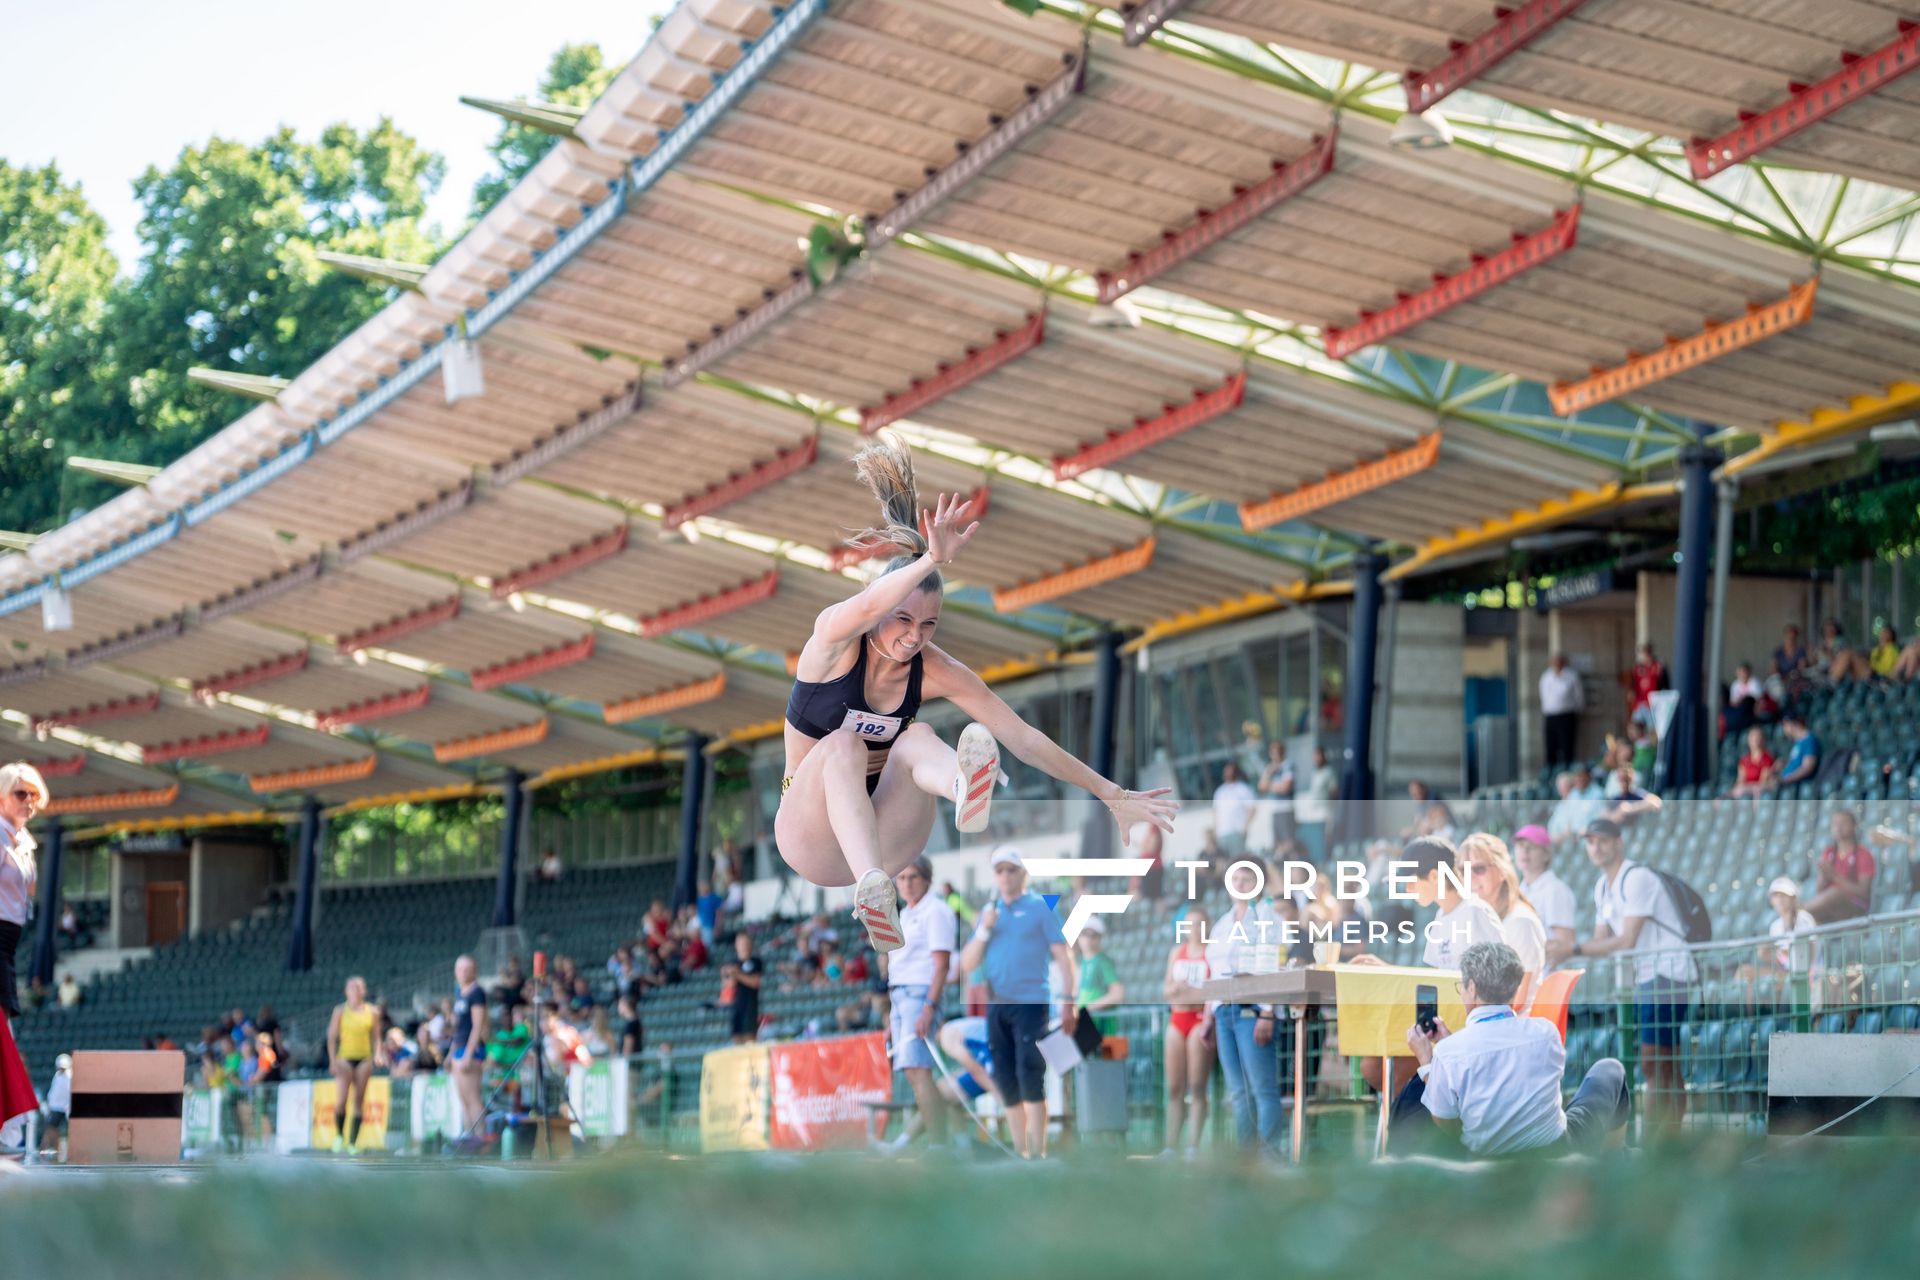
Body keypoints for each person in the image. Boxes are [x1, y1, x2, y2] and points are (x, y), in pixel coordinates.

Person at [775, 435, 1176, 953]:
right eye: (903, 620)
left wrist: (1111, 793)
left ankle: (965, 793)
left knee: (917, 735)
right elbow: (871, 599)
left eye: (929, 625)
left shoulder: (934, 668)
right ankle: (873, 891)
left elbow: (1025, 739)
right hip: (810, 836)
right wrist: (928, 563)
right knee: (845, 746)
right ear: (879, 614)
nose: (914, 636)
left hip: (887, 830)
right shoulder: (831, 642)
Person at [1391, 941, 1629, 1157]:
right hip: (1555, 1149)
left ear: (1472, 988)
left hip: (1489, 1159)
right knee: (1610, 1068)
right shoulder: (1546, 1033)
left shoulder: (1450, 1053)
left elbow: (1445, 1122)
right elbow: (1504, 1064)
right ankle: (1612, 1166)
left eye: (1461, 987)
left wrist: (1426, 1061)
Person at [1572, 818, 1695, 1132]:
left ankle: (1655, 1139)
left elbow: (1626, 940)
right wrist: (1572, 948)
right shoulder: (1604, 886)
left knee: (1655, 1061)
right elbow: (1602, 939)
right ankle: (1667, 1138)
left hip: (1668, 973)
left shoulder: (1637, 877)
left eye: (1602, 840)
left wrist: (1571, 949)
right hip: (1650, 977)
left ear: (1618, 842)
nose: (1596, 847)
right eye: (1590, 841)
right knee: (1664, 1062)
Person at [959, 846, 1075, 1159]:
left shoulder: (1040, 906)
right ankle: (1020, 1152)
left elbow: (1064, 956)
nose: (1005, 876)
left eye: (1011, 869)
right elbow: (968, 964)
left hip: (1032, 1003)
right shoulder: (989, 912)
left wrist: (1069, 1001)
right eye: (1000, 870)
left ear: (1023, 872)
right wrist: (984, 928)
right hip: (997, 1006)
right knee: (1006, 1078)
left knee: (1030, 1074)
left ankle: (1038, 1153)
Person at [1204, 861, 1284, 1159]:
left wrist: (1268, 1010)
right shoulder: (1223, 922)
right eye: (1235, 877)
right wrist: (1208, 1015)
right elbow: (1216, 969)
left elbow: (1272, 963)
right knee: (1239, 1092)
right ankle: (1245, 1160)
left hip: (1253, 1007)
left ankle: (1269, 1154)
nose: (1239, 883)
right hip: (1224, 1010)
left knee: (1262, 1087)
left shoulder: (1267, 915)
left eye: (1246, 877)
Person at [883, 855, 956, 1150]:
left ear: (926, 879)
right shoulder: (903, 915)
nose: (906, 883)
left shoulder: (935, 911)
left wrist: (929, 1006)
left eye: (913, 877)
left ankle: (939, 1144)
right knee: (913, 1072)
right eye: (901, 878)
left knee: (919, 1069)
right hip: (900, 995)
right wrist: (891, 1016)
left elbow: (941, 964)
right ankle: (946, 1139)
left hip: (919, 993)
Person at [1458, 834, 1546, 1010]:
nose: (1470, 878)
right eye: (1463, 871)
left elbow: (1516, 1002)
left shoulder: (1520, 921)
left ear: (1502, 870)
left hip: (1509, 1027)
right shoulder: (1475, 920)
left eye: (1479, 869)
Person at [1161, 903, 1213, 1157]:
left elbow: (1212, 992)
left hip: (1199, 1019)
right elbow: (1167, 989)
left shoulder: (1211, 953)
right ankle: (1170, 1146)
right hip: (1178, 1017)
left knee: (1196, 1085)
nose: (1194, 929)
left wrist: (1189, 992)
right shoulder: (1177, 952)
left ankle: (1193, 1145)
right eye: (1190, 924)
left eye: (1199, 923)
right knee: (1174, 1087)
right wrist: (1180, 990)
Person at [326, 975, 383, 1152]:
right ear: (346, 991)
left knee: (359, 1100)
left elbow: (376, 1037)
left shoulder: (372, 1012)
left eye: (358, 987)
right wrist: (332, 1060)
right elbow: (332, 1037)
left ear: (363, 990)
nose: (355, 991)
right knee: (341, 1099)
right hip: (345, 1058)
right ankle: (339, 1136)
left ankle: (352, 1143)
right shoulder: (340, 1011)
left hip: (364, 1058)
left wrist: (378, 1054)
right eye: (351, 987)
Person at [1513, 825, 1578, 968]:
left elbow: (1564, 944)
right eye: (1520, 845)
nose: (1525, 851)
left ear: (1546, 854)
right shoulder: (1518, 891)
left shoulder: (1555, 890)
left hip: (1546, 980)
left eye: (1532, 846)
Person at [1807, 808, 1876, 923]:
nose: (1838, 827)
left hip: (1856, 906)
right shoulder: (1829, 852)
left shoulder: (1863, 854)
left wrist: (1834, 877)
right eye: (1835, 824)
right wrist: (1824, 875)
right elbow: (1820, 890)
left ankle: (1798, 912)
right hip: (1829, 905)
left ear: (1854, 827)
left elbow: (1863, 893)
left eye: (1843, 823)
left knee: (1835, 893)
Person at [450, 955, 490, 1139]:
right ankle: (469, 1135)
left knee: (473, 1097)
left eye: (467, 969)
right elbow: (458, 1027)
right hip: (459, 1048)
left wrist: (469, 1053)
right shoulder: (460, 992)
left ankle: (480, 1137)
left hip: (470, 1050)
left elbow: (477, 1025)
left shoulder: (476, 993)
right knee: (464, 1099)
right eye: (460, 969)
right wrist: (450, 1054)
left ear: (474, 971)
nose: (463, 973)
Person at [1074, 916, 1124, 1037]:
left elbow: (1117, 995)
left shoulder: (1103, 962)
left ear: (1099, 938)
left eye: (1093, 935)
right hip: (1084, 1025)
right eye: (1084, 934)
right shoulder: (1080, 962)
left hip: (1101, 1027)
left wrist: (1088, 1009)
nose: (1088, 939)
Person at [1761, 877, 1819, 975]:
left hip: (1806, 973)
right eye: (1775, 896)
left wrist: (1784, 952)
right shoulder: (1775, 926)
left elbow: (1806, 953)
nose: (1779, 900)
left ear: (1793, 898)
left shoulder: (1804, 919)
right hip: (1787, 971)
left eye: (1784, 895)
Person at [1539, 652, 1583, 769]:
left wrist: (1577, 710)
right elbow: (1543, 695)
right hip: (1551, 715)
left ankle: (1567, 769)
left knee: (1567, 745)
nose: (1556, 664)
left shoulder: (1571, 676)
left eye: (1558, 661)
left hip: (1566, 715)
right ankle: (1550, 771)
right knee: (1550, 746)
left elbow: (1579, 696)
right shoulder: (1546, 676)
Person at [1547, 764, 1607, 849]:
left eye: (1581, 776)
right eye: (1577, 776)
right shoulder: (1573, 794)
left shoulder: (1598, 794)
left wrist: (1583, 831)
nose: (1579, 779)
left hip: (1589, 836)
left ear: (1588, 776)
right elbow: (1569, 816)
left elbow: (1599, 818)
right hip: (1572, 836)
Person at [1294, 746, 1336, 863]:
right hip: (1313, 814)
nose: (1316, 758)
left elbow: (1334, 792)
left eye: (1319, 755)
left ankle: (1324, 864)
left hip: (1324, 812)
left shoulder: (1328, 772)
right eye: (1315, 756)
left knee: (1323, 841)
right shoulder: (1314, 773)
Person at [723, 931, 763, 1044]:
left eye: (745, 942)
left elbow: (755, 982)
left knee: (750, 1040)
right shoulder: (731, 963)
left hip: (750, 1007)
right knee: (737, 1040)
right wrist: (727, 973)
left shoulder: (755, 962)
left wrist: (737, 974)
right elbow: (728, 985)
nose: (743, 946)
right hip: (736, 1007)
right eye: (740, 943)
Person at [1211, 761, 1257, 858]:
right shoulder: (1220, 792)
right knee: (1226, 862)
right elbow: (1216, 812)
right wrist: (1215, 830)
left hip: (1237, 831)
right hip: (1222, 833)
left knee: (1239, 860)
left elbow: (1252, 808)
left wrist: (1245, 826)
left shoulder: (1243, 789)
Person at [1259, 741, 1296, 851]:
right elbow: (1261, 787)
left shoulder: (1288, 766)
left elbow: (1286, 788)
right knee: (1278, 843)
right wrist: (1272, 778)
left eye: (1278, 751)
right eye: (1273, 752)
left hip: (1286, 809)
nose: (1275, 754)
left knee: (1289, 842)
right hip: (1275, 810)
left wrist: (1269, 785)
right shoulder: (1269, 768)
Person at [1775, 715, 1821, 790]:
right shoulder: (1798, 743)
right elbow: (1797, 763)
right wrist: (1785, 765)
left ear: (1793, 724)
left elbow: (1807, 768)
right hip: (1789, 786)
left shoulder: (1809, 741)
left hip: (1797, 787)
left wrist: (1785, 780)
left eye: (1785, 725)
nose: (1784, 729)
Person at [1627, 642, 1667, 728]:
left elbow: (1664, 686)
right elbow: (1633, 684)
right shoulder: (1637, 668)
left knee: (1651, 729)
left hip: (1652, 705)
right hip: (1639, 704)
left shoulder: (1658, 667)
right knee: (1636, 728)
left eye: (1645, 653)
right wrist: (1631, 692)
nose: (1643, 656)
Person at [1729, 727, 1775, 798]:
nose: (1755, 739)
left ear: (1763, 739)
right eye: (1752, 737)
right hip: (1745, 789)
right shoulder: (1744, 760)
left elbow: (1762, 782)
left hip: (1759, 790)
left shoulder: (1767, 758)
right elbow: (1740, 781)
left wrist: (1745, 788)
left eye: (1758, 736)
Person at [1724, 661, 1764, 738]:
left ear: (1749, 672)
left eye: (1744, 671)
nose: (1742, 674)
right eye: (1740, 672)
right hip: (1741, 713)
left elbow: (1757, 701)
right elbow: (1733, 703)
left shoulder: (1755, 682)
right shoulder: (1735, 685)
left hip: (1752, 712)